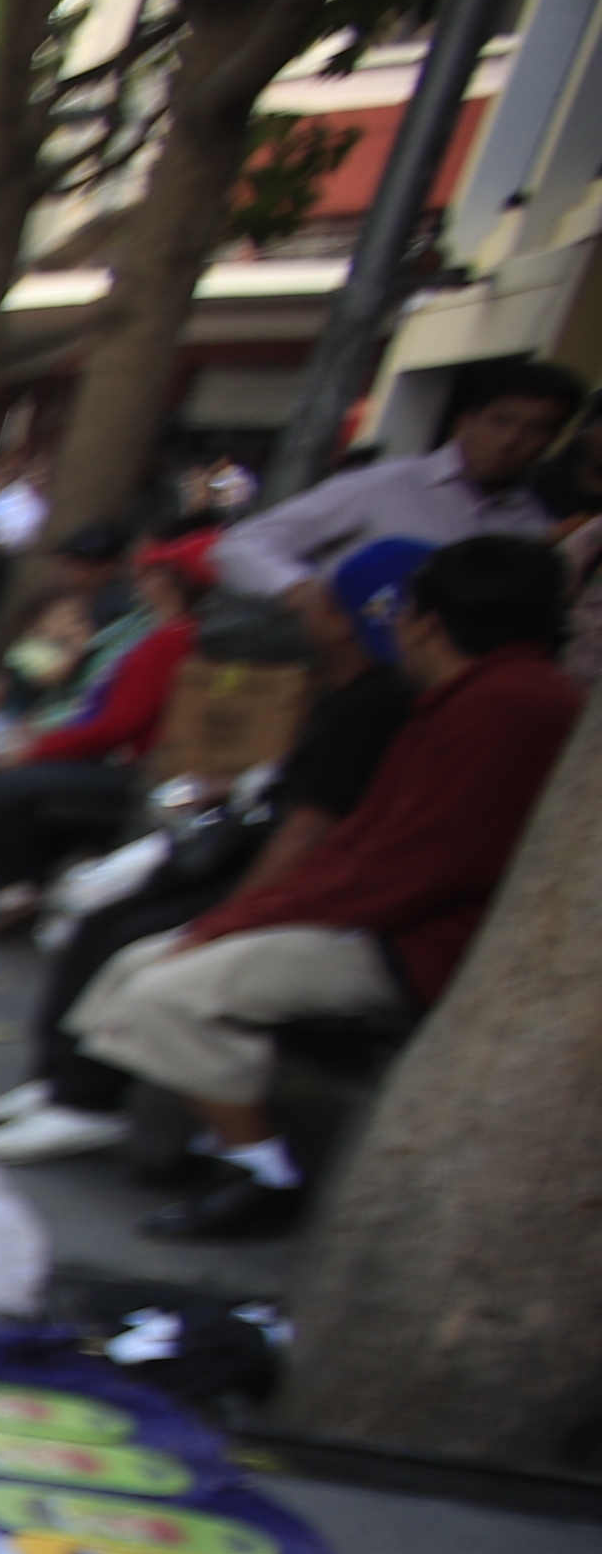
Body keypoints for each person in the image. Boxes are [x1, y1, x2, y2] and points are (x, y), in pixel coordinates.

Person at [56, 531, 579, 1240]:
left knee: (166, 990)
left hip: (412, 940)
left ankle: (261, 1172)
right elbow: (370, 845)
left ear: (424, 621)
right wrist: (246, 916)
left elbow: (409, 867)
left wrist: (250, 917)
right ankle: (208, 1139)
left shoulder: (506, 707)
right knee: (141, 961)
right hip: (380, 916)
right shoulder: (471, 699)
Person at [0, 542, 420, 1161]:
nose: (302, 598)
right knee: (101, 923)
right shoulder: (344, 693)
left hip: (270, 879)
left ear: (343, 617)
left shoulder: (374, 704)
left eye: (319, 592)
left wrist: (232, 914)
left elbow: (308, 826)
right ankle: (64, 1085)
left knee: (130, 939)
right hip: (248, 851)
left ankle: (89, 1100)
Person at [0, 533, 206, 931]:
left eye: (153, 573)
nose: (141, 580)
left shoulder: (172, 639)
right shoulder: (150, 629)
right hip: (111, 752)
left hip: (138, 768)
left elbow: (118, 724)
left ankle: (17, 887)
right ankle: (15, 881)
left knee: (3, 785)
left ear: (169, 582)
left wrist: (37, 750)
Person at [210, 364, 578, 641]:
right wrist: (301, 591)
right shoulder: (388, 484)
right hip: (336, 668)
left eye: (536, 430)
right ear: (466, 422)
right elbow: (244, 544)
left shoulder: (531, 527)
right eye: (501, 421)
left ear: (553, 441)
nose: (511, 440)